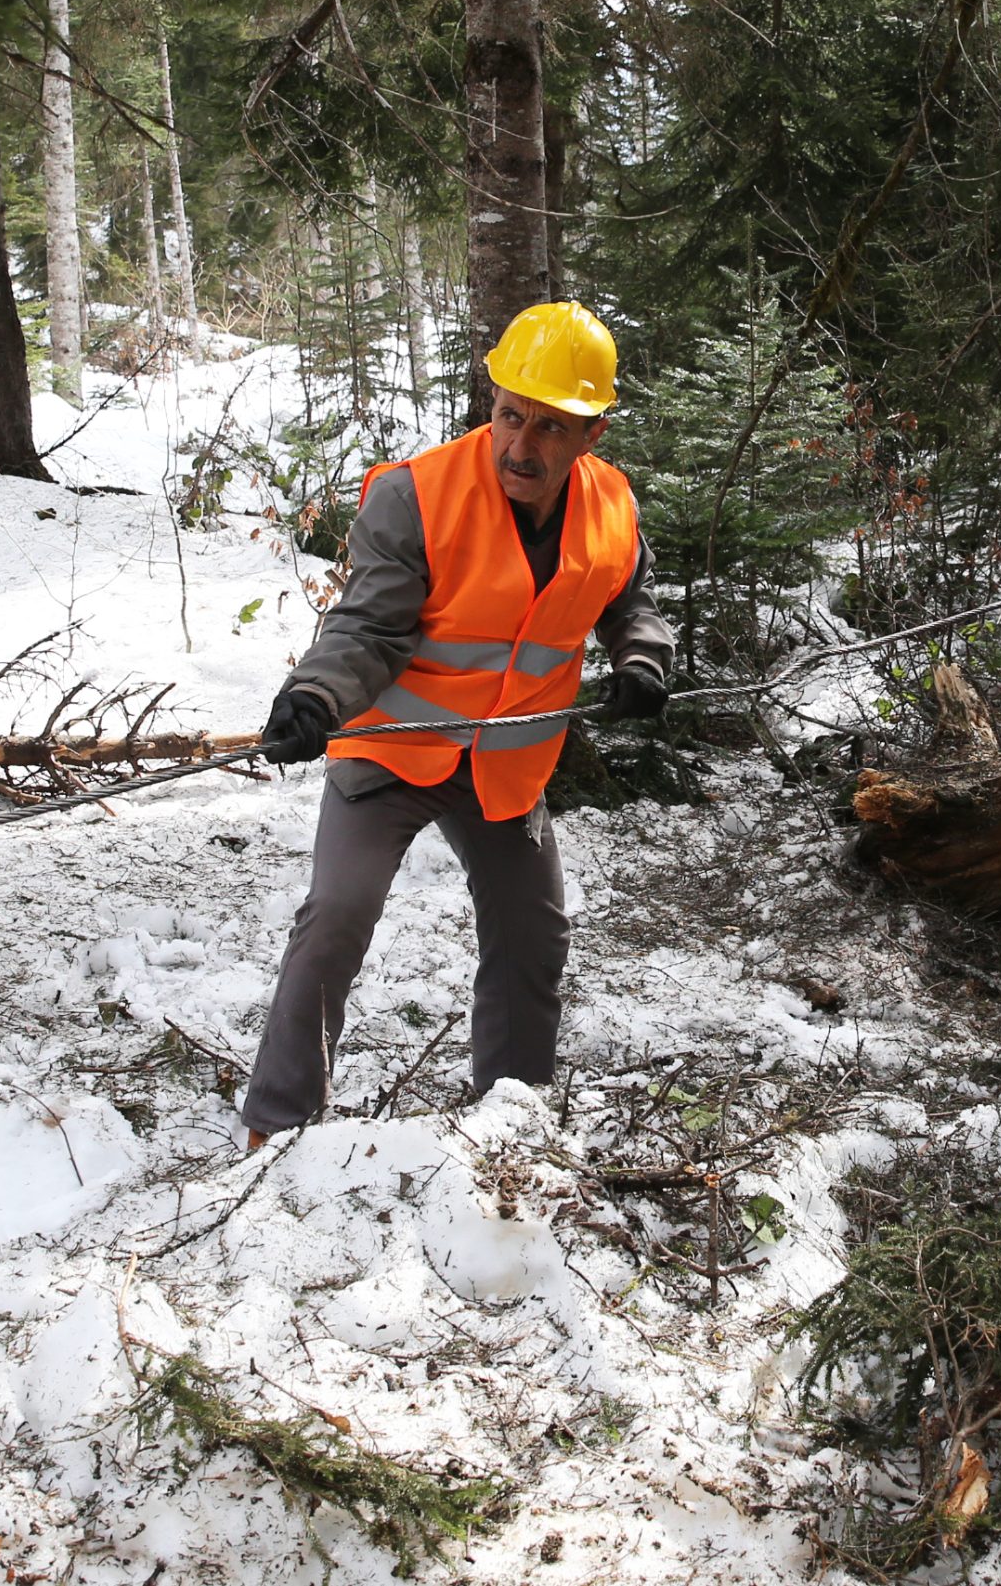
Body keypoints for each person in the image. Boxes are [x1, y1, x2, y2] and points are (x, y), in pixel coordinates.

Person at [238, 301, 676, 1145]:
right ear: (493, 396)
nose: (522, 445)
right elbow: (367, 628)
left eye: (551, 427)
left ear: (593, 431)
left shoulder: (611, 507)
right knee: (336, 913)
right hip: (390, 751)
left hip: (505, 768)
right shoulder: (417, 495)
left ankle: (511, 1123)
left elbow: (631, 603)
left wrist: (641, 659)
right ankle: (276, 1124)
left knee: (533, 935)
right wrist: (315, 700)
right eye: (511, 413)